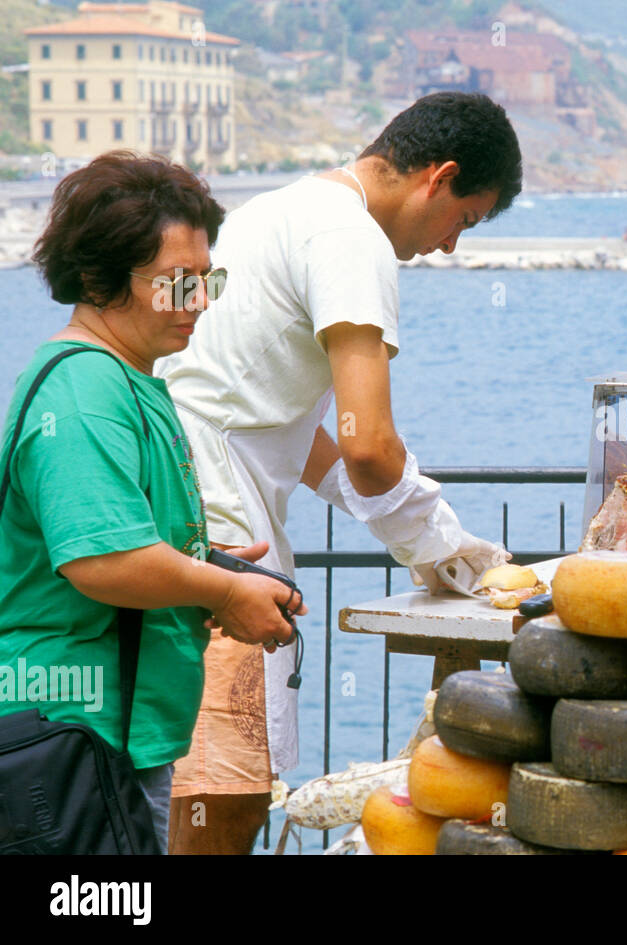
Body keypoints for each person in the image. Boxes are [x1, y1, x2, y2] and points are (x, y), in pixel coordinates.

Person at [157, 91, 523, 853]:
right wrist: (445, 549)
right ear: (439, 177)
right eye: (466, 218)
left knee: (184, 791)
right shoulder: (353, 239)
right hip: (228, 542)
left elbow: (266, 414)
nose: (452, 245)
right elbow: (368, 442)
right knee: (223, 800)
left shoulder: (270, 212)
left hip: (171, 517)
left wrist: (374, 506)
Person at [0, 152, 305, 853]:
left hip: (112, 734)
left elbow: (122, 538)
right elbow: (102, 558)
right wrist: (224, 589)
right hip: (66, 736)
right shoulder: (85, 393)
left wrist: (211, 566)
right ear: (100, 278)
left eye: (206, 280)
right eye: (176, 283)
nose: (197, 302)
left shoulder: (128, 380)